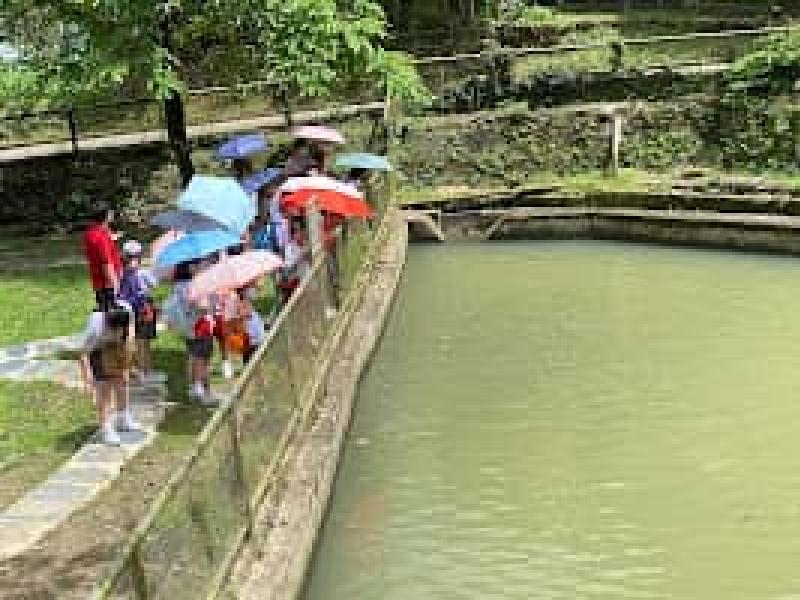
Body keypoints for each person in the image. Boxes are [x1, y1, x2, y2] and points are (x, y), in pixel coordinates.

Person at [78, 304, 140, 445]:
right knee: (104, 391)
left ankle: (123, 418)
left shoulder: (125, 312)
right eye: (114, 330)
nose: (117, 333)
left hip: (117, 349)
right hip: (98, 352)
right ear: (107, 324)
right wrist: (88, 378)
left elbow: (131, 331)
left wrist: (129, 362)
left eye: (120, 330)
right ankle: (106, 429)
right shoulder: (95, 330)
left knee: (123, 383)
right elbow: (83, 354)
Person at [118, 240, 165, 384]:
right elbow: (154, 284)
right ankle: (144, 373)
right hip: (141, 311)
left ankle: (142, 370)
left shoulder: (121, 273)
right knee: (142, 343)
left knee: (140, 342)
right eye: (132, 257)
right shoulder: (141, 273)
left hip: (133, 311)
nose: (133, 261)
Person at [82, 207, 122, 311]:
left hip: (99, 282)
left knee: (104, 311)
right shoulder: (101, 237)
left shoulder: (90, 233)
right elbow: (106, 263)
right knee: (112, 315)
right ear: (106, 216)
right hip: (107, 284)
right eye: (110, 214)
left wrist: (111, 238)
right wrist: (116, 284)